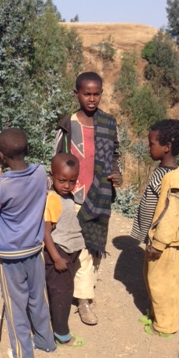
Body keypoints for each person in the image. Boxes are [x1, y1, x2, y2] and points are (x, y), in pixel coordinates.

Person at [0, 128, 56, 358]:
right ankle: (45, 341)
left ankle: (24, 353)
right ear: (29, 150)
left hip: (11, 255)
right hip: (34, 250)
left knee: (15, 304)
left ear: (0, 157)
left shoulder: (2, 185)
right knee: (37, 298)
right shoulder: (40, 174)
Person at [53, 71, 122, 325]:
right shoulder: (68, 123)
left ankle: (84, 301)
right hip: (71, 195)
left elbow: (115, 154)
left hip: (99, 196)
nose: (92, 99)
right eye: (86, 94)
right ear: (76, 94)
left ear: (101, 94)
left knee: (90, 251)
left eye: (96, 94)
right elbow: (57, 156)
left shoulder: (108, 123)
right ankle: (61, 289)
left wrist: (115, 174)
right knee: (68, 244)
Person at [131, 120, 179, 337]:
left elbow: (171, 217)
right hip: (154, 239)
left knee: (164, 284)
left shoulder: (173, 179)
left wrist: (158, 244)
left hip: (163, 243)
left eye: (151, 144)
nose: (149, 147)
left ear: (166, 146)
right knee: (152, 279)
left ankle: (165, 326)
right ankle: (155, 315)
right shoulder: (163, 171)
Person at [44, 153, 86, 347]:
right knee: (62, 293)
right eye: (62, 180)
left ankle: (56, 328)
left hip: (68, 252)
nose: (67, 186)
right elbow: (45, 232)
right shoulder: (52, 199)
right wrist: (56, 257)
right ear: (52, 176)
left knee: (63, 291)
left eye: (72, 181)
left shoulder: (67, 196)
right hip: (58, 253)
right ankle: (62, 335)